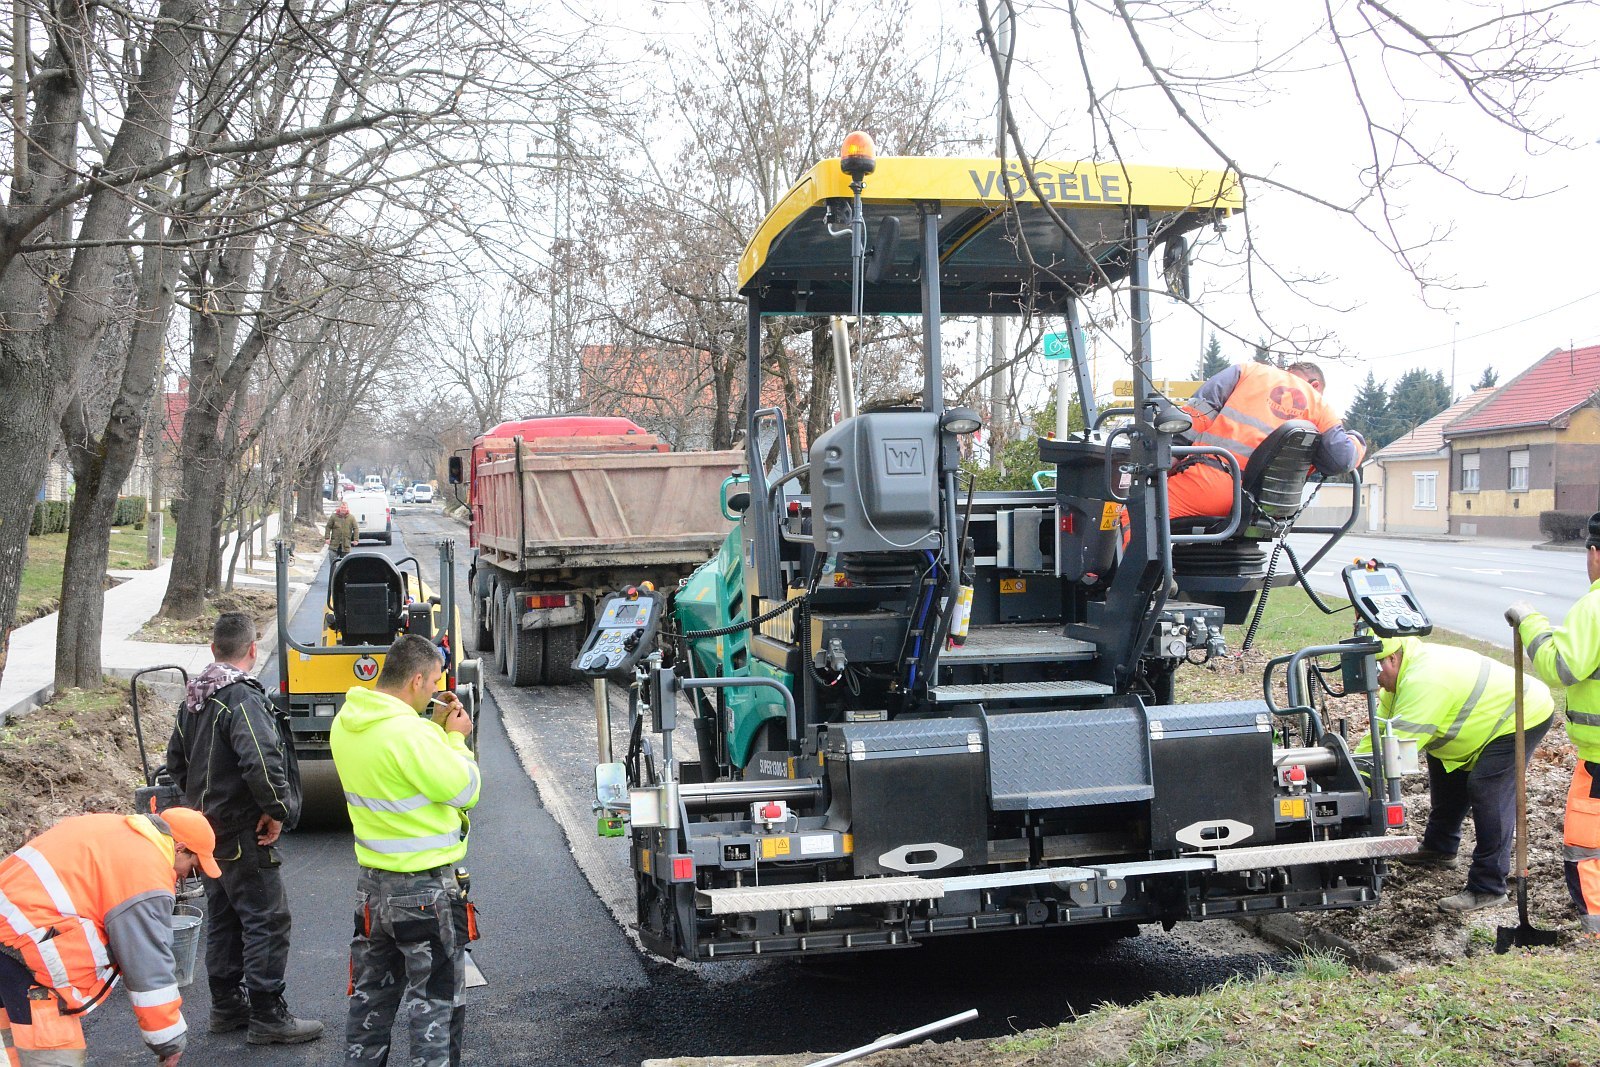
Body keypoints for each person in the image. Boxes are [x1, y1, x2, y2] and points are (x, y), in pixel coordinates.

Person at [164, 612, 321, 1045]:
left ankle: (227, 1007)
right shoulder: (242, 698)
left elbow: (176, 762)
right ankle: (268, 1016)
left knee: (226, 919)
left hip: (206, 835)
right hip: (243, 830)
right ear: (253, 650)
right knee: (267, 919)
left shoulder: (194, 698)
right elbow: (262, 762)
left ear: (214, 649)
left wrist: (200, 807)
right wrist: (278, 810)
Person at [331, 634, 480, 1066]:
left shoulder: (348, 721)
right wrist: (453, 739)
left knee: (370, 1000)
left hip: (371, 891)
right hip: (425, 892)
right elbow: (465, 790)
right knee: (434, 1004)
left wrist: (431, 733)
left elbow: (396, 770)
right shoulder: (412, 734)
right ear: (416, 679)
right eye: (434, 681)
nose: (436, 689)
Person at [0, 807, 221, 1066]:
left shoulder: (109, 826)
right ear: (180, 848)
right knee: (53, 1054)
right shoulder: (146, 872)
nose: (186, 876)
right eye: (193, 868)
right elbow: (147, 964)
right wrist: (169, 1040)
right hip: (26, 953)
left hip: (11, 937)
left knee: (12, 1043)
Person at [1357, 636, 1554, 913]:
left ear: (1392, 658)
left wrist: (1360, 790)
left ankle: (1489, 887)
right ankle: (1440, 848)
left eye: (1376, 671)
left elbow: (1396, 751)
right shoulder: (1397, 681)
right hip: (1480, 720)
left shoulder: (1424, 682)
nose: (1376, 680)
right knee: (1444, 764)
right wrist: (1352, 768)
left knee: (1487, 787)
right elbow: (1379, 736)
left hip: (1521, 714)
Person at [1507, 510, 1600, 938]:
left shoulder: (1595, 605)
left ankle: (1596, 928)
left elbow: (1563, 665)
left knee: (1586, 847)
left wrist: (1531, 624)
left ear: (1595, 553)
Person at [1169, 360, 1365, 520]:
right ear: (1315, 385)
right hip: (1269, 506)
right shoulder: (1319, 405)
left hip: (1209, 486)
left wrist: (1166, 463)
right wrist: (1357, 441)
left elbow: (1194, 418)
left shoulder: (1246, 371)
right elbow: (1340, 459)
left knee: (1143, 514)